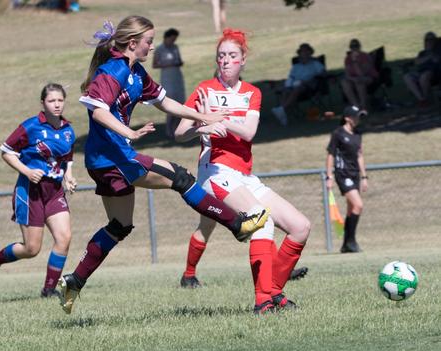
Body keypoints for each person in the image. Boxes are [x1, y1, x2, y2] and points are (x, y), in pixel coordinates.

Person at [57, 16, 270, 314]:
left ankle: (74, 281)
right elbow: (97, 112)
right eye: (148, 41)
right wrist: (129, 133)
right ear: (133, 43)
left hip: (104, 160)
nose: (152, 46)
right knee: (180, 178)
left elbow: (166, 103)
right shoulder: (113, 71)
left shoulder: (135, 72)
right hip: (115, 158)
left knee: (120, 226)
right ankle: (238, 224)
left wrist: (202, 118)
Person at [175, 28, 311, 314]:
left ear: (243, 60)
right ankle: (263, 301)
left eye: (232, 56)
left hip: (244, 177)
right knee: (261, 221)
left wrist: (219, 115)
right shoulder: (204, 90)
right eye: (221, 55)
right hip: (215, 172)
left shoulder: (252, 93)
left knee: (300, 227)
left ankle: (273, 292)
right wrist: (202, 123)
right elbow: (179, 133)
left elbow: (248, 132)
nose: (226, 60)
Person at [0, 84, 77, 298]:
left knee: (64, 238)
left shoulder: (68, 130)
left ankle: (49, 290)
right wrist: (26, 170)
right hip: (30, 191)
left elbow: (67, 158)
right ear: (43, 103)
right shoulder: (30, 126)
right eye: (52, 101)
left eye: (60, 100)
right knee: (32, 249)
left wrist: (68, 176)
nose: (57, 104)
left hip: (54, 192)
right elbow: (6, 151)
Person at [326, 105, 368, 253]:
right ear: (347, 118)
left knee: (351, 210)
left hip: (355, 174)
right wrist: (329, 176)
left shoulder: (358, 134)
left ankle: (346, 245)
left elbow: (360, 155)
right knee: (358, 205)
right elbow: (331, 154)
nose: (358, 119)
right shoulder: (338, 133)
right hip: (342, 174)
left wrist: (364, 176)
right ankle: (351, 241)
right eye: (356, 116)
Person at [271, 43, 325, 126]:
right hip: (293, 86)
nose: (304, 54)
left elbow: (323, 74)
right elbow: (291, 78)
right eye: (302, 53)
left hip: (309, 87)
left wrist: (312, 79)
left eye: (306, 52)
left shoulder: (315, 64)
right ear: (299, 54)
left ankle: (282, 109)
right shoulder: (296, 66)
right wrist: (286, 84)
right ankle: (282, 112)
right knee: (285, 90)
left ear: (310, 53)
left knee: (297, 88)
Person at [153, 28, 186, 138]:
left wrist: (178, 63)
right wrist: (168, 64)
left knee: (180, 103)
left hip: (177, 76)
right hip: (167, 78)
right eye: (172, 39)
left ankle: (176, 128)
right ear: (166, 38)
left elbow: (179, 60)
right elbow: (155, 65)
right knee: (171, 103)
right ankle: (168, 129)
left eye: (174, 39)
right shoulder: (159, 49)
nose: (173, 41)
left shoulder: (175, 47)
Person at [403, 31, 441, 107]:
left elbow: (436, 60)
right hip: (421, 72)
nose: (429, 42)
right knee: (407, 77)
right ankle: (422, 99)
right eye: (427, 40)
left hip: (435, 74)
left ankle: (425, 98)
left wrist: (430, 55)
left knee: (424, 76)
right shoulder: (422, 53)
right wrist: (428, 56)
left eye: (431, 39)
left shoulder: (438, 50)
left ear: (435, 41)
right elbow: (417, 62)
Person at [341, 39, 378, 113]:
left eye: (356, 46)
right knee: (344, 82)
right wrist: (352, 79)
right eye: (352, 46)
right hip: (354, 78)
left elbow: (361, 73)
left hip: (369, 77)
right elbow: (347, 74)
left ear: (359, 47)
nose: (354, 48)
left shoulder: (365, 56)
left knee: (359, 82)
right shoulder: (348, 58)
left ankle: (363, 107)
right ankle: (356, 106)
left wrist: (355, 61)